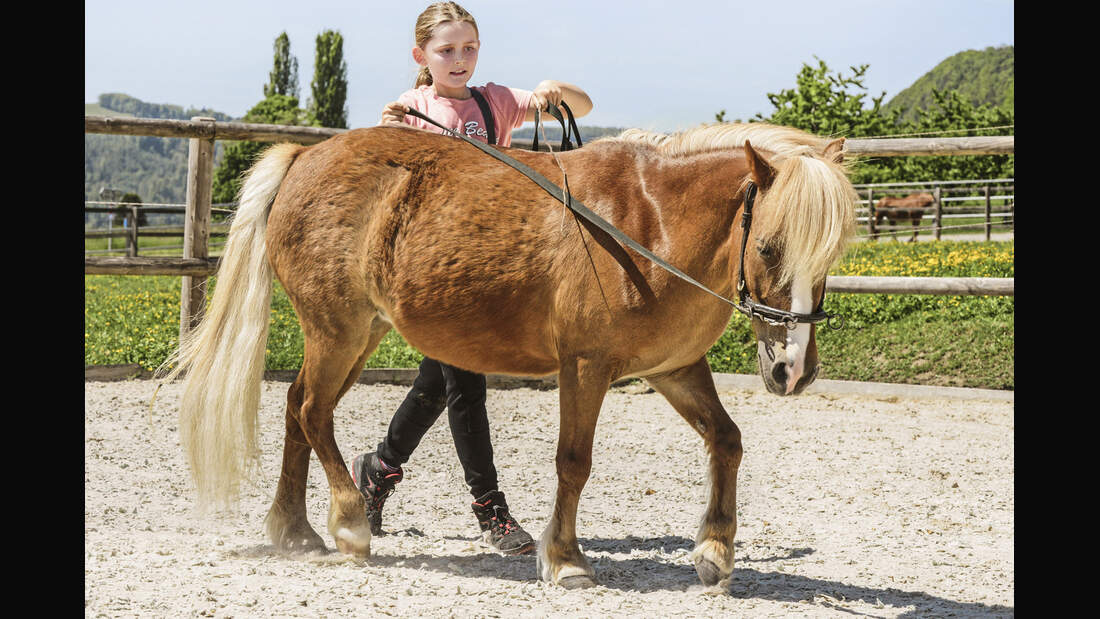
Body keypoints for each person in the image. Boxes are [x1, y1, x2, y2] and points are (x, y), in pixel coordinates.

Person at [350, 1, 593, 556]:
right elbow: (374, 171)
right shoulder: (410, 108)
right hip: (436, 269)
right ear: (421, 56)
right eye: (447, 50)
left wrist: (558, 90)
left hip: (494, 262)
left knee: (440, 382)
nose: (460, 59)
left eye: (469, 48)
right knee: (465, 384)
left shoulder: (497, 101)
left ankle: (380, 468)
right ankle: (492, 510)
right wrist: (387, 135)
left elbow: (582, 105)